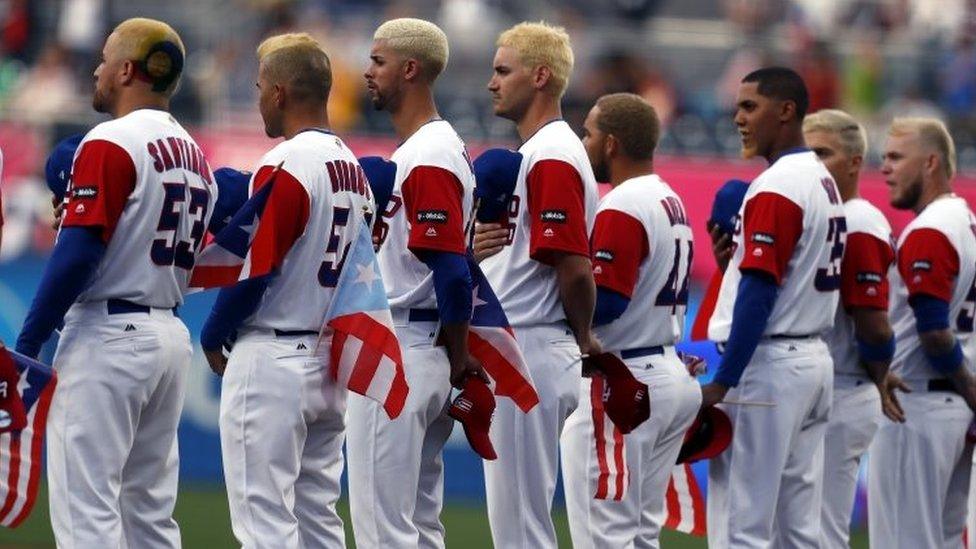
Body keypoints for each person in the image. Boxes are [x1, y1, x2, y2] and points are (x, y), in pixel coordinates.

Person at [14, 18, 215, 547]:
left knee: (88, 515)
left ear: (128, 69)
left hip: (108, 336)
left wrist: (29, 341)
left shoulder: (111, 140)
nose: (97, 70)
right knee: (147, 515)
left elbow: (77, 254)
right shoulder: (196, 155)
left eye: (104, 60)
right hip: (167, 335)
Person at [196, 33, 366, 547]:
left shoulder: (289, 162)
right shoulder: (353, 167)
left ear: (280, 92)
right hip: (326, 354)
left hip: (273, 352)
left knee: (264, 522)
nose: (257, 98)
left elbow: (257, 264)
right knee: (318, 517)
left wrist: (214, 332)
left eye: (259, 87)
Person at [345, 18, 482, 548]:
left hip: (405, 346)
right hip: (424, 348)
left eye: (378, 61)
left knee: (385, 529)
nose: (367, 71)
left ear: (410, 68)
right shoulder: (433, 148)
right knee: (420, 525)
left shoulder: (428, 153)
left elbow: (450, 268)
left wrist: (460, 350)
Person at [703, 67, 844, 548]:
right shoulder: (821, 179)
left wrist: (723, 380)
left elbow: (759, 293)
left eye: (750, 107)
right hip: (811, 360)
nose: (738, 118)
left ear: (786, 111)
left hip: (769, 366)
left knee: (742, 525)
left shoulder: (779, 184)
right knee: (798, 529)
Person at [472, 21, 600, 549]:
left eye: (504, 70)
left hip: (533, 342)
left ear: (540, 76)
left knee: (521, 528)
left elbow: (573, 265)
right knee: (519, 522)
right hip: (530, 340)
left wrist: (583, 336)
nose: (491, 82)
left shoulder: (551, 153)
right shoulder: (543, 150)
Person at [560, 92, 702, 547]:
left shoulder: (623, 204)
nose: (584, 143)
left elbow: (610, 303)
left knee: (606, 536)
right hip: (663, 370)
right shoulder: (669, 198)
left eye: (589, 133)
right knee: (639, 534)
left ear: (613, 144)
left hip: (622, 379)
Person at [869, 117, 976, 548]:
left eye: (896, 157)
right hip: (948, 405)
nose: (886, 168)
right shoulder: (965, 220)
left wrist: (970, 388)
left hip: (916, 405)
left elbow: (933, 332)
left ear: (930, 162)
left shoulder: (932, 229)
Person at [802, 108, 904, 549]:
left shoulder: (857, 220)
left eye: (822, 153)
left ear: (854, 161)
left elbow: (874, 324)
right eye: (805, 154)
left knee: (822, 531)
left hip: (844, 387)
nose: (812, 164)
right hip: (831, 385)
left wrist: (878, 376)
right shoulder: (827, 214)